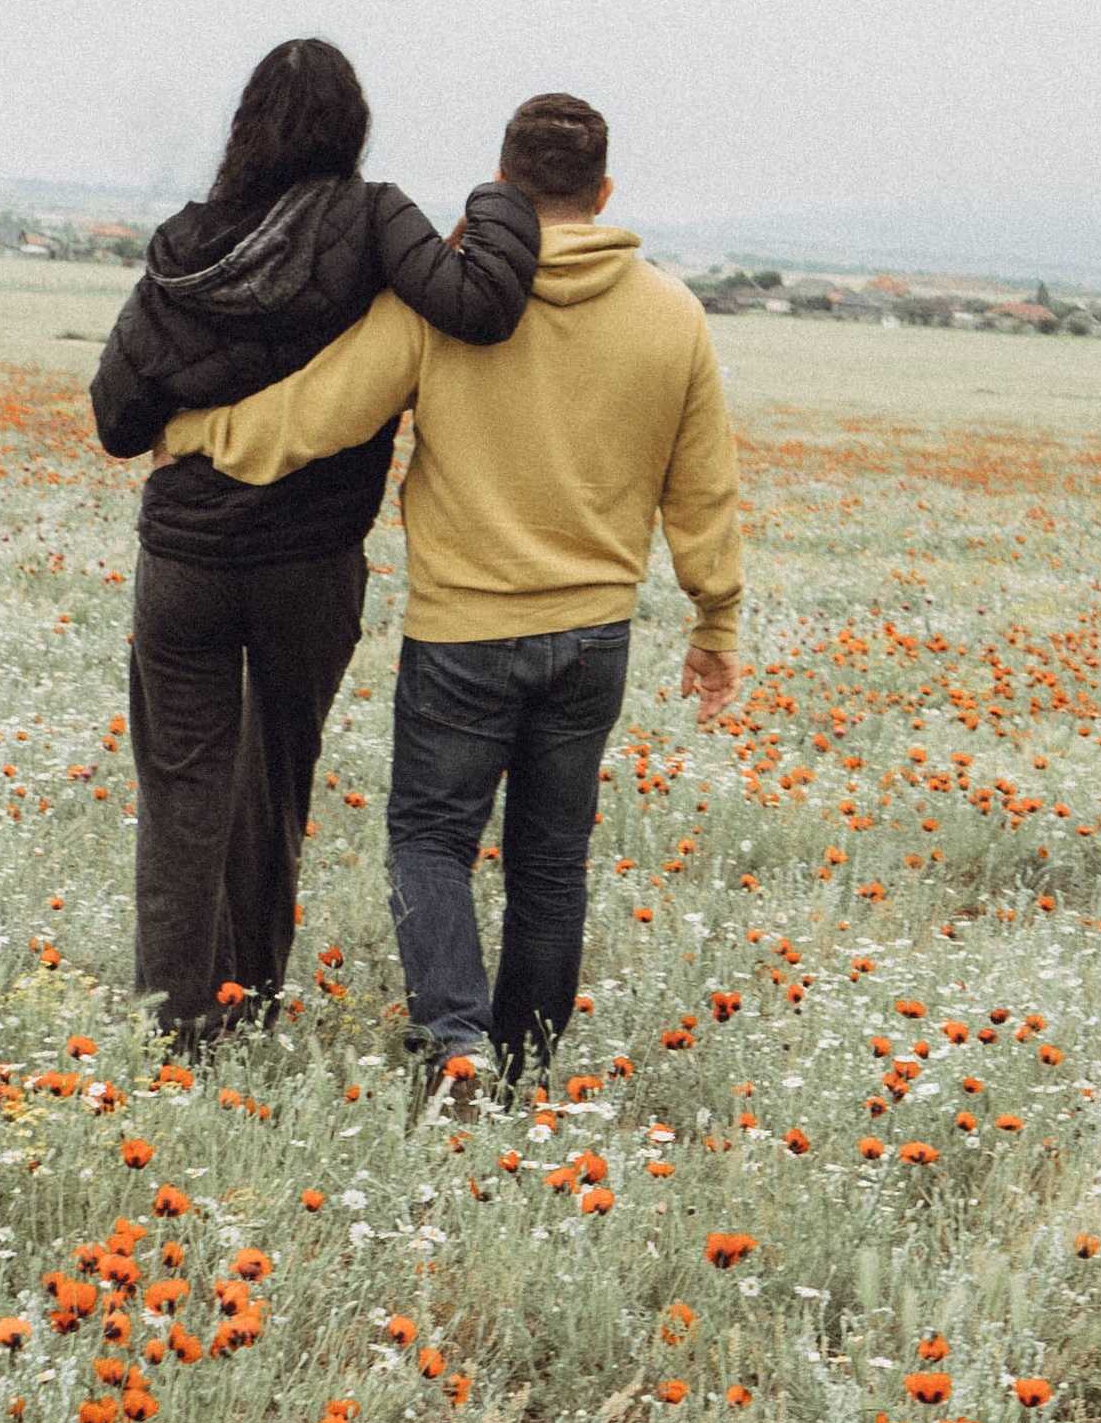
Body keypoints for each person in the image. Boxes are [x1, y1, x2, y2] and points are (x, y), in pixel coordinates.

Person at [160, 90, 742, 1091]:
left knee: (431, 841)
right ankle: (520, 1070)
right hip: (594, 636)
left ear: (504, 181)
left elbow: (321, 415)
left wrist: (192, 436)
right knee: (551, 866)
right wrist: (714, 618)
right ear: (604, 192)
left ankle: (456, 1044)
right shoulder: (673, 316)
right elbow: (703, 491)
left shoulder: (447, 302)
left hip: (462, 632)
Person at [91, 37, 538, 1047]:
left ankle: (176, 1028)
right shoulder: (374, 218)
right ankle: (248, 1004)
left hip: (186, 564)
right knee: (275, 777)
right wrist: (503, 199)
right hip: (309, 565)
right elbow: (482, 305)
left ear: (245, 126)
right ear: (353, 127)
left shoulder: (184, 243)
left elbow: (116, 417)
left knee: (181, 793)